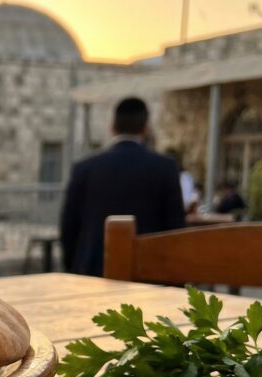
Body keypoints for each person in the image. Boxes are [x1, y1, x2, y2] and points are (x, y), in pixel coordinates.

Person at [60, 97, 185, 276]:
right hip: (148, 276)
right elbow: (175, 228)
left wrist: (74, 268)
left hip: (93, 273)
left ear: (112, 127)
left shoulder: (84, 169)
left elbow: (69, 227)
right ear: (146, 127)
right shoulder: (165, 168)